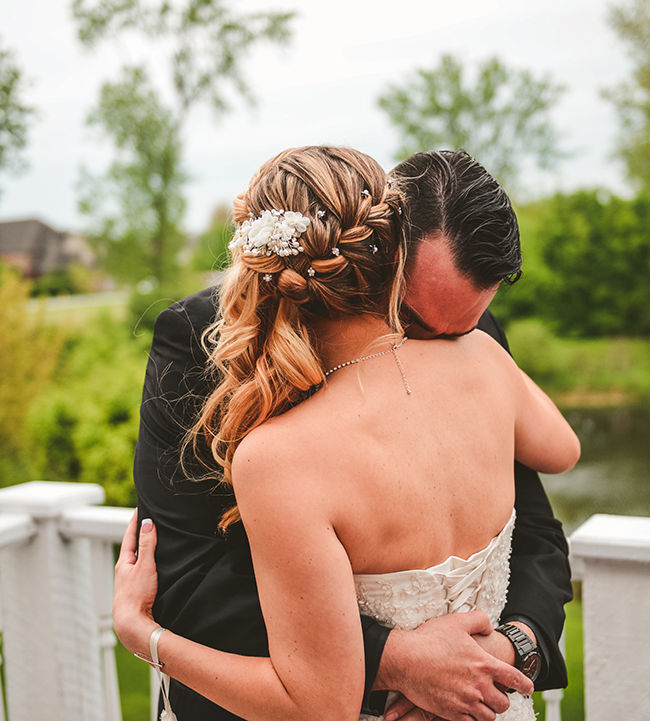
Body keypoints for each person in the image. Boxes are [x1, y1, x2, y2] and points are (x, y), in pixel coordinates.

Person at [124, 146, 578, 721]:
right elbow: (191, 575)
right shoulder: (198, 339)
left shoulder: (470, 337)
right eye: (413, 323)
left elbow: (534, 527)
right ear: (387, 249)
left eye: (457, 331)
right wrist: (399, 661)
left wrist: (511, 647)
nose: (430, 346)